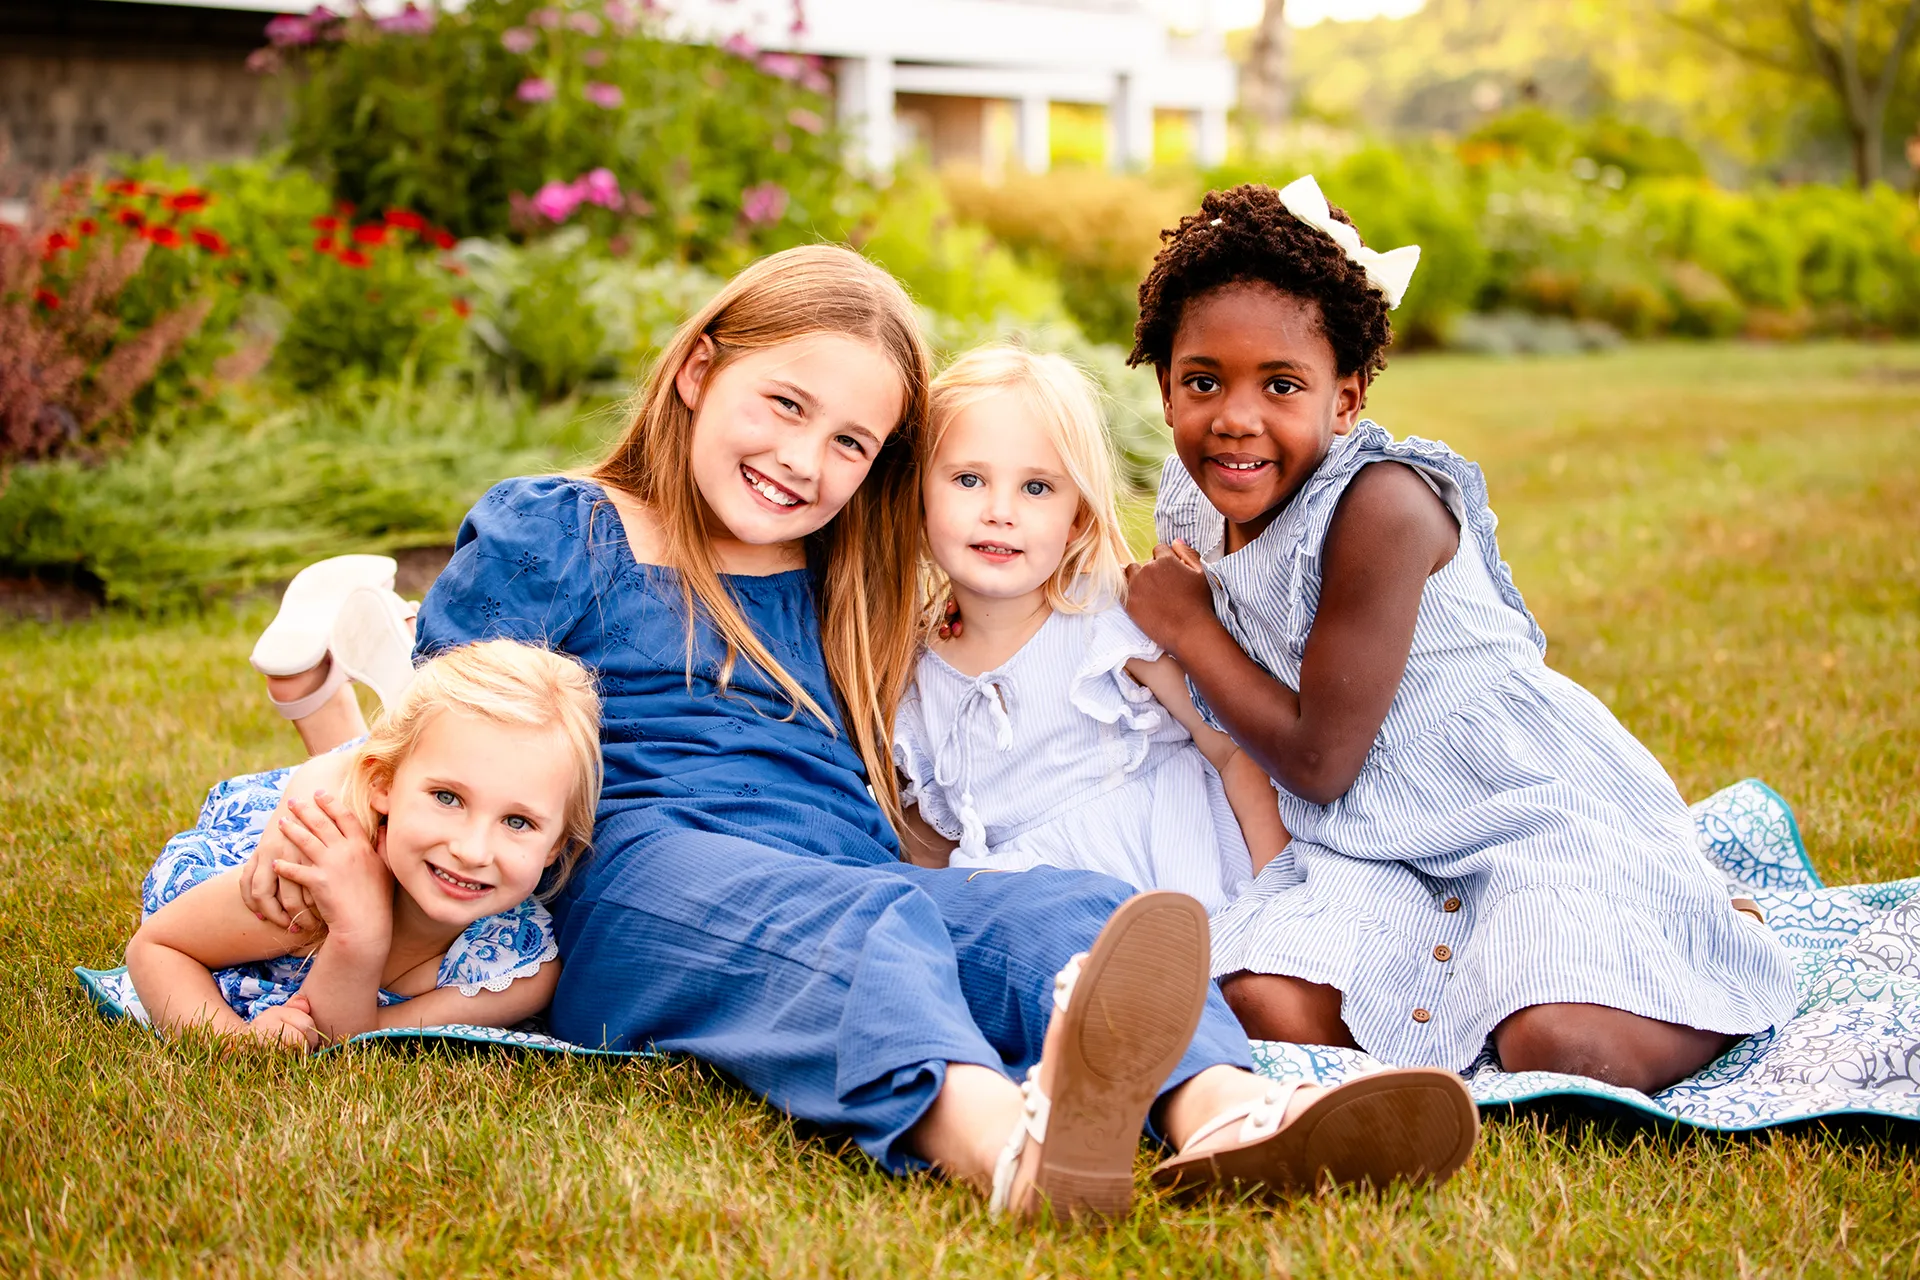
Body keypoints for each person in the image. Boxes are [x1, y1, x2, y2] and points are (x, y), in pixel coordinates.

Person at [234, 245, 1478, 1219]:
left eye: (850, 442)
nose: (802, 460)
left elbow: (1021, 557)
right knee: (864, 925)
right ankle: (1003, 1147)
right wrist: (346, 761)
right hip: (639, 875)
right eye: (783, 403)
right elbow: (449, 731)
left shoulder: (848, 571)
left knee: (1070, 908)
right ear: (696, 366)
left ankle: (1226, 1116)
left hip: (843, 862)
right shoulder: (562, 528)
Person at [1122, 177, 1798, 1094]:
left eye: (1283, 385)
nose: (1236, 417)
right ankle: (1481, 990)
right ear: (1166, 388)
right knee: (1260, 1002)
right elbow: (1143, 602)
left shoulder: (1381, 505)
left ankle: (1715, 940)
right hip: (1372, 840)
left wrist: (1192, 630)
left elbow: (1319, 758)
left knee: (1561, 1049)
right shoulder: (1192, 493)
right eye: (1204, 382)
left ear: (1347, 398)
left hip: (1520, 805)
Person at [892, 345, 1287, 912]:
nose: (1000, 511)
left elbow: (1229, 750)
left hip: (1165, 872)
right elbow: (931, 843)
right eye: (970, 479)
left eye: (1036, 488)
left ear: (1077, 518)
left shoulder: (1104, 619)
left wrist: (1277, 900)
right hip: (1025, 903)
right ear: (918, 497)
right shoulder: (916, 678)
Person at [125, 638, 602, 1050]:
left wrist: (360, 936)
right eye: (447, 797)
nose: (473, 851)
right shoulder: (302, 878)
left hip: (382, 807)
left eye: (517, 822)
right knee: (347, 776)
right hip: (319, 824)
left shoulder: (514, 968)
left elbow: (350, 1042)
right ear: (384, 788)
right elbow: (158, 947)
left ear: (556, 844)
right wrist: (232, 1041)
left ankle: (329, 700)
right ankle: (322, 699)